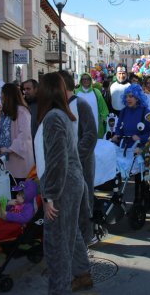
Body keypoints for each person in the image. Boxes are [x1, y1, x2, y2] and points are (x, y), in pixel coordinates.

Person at [34, 72, 92, 293]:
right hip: (69, 184)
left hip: (62, 187)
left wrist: (49, 196)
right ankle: (82, 272)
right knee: (70, 233)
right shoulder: (60, 115)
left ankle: (60, 288)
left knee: (58, 245)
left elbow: (57, 162)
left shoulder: (53, 117)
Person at [61, 70, 98, 247]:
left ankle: (86, 238)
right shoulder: (58, 106)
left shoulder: (81, 105)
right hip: (65, 165)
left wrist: (75, 157)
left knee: (84, 202)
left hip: (82, 163)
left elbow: (90, 135)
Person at [112, 84, 150, 210]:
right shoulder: (124, 111)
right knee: (127, 173)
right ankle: (145, 201)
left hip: (140, 148)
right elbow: (120, 127)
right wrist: (117, 135)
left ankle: (139, 201)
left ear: (138, 98)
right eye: (127, 96)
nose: (128, 99)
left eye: (132, 96)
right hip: (126, 148)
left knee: (140, 178)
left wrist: (141, 138)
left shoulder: (146, 113)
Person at [0, 180, 38, 272]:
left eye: (20, 196)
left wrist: (7, 215)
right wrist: (7, 203)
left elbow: (23, 218)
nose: (17, 196)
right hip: (5, 223)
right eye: (18, 194)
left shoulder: (29, 208)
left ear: (27, 198)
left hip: (15, 229)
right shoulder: (17, 202)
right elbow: (3, 211)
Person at [0, 83, 35, 181]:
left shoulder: (22, 111)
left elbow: (25, 135)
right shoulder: (5, 113)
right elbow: (1, 134)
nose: (1, 100)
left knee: (19, 192)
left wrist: (8, 149)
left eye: (3, 98)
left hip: (20, 160)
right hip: (7, 161)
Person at [75, 73, 109, 138]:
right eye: (84, 79)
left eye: (88, 79)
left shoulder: (96, 92)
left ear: (90, 80)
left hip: (95, 123)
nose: (86, 81)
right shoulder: (76, 92)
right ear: (81, 81)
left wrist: (103, 119)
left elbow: (103, 108)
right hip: (79, 123)